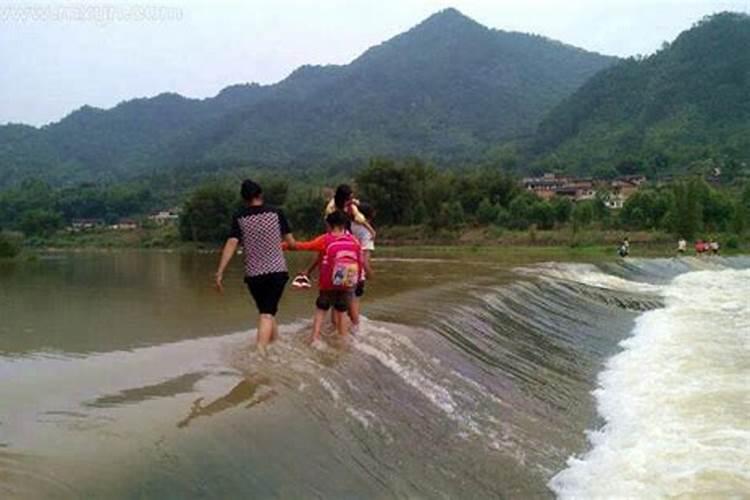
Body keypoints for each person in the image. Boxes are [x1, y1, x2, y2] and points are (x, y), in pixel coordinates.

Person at [215, 179, 297, 356]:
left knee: (266, 311)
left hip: (254, 275)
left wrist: (220, 272)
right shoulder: (276, 213)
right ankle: (260, 353)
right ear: (261, 194)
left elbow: (231, 243)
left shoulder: (240, 217)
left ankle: (275, 345)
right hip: (276, 272)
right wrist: (292, 245)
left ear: (244, 199)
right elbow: (291, 243)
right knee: (267, 313)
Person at [284, 210, 362, 344]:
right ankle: (342, 341)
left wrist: (282, 246)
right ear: (344, 224)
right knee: (341, 311)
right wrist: (358, 281)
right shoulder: (354, 241)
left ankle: (314, 338)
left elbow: (303, 246)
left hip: (328, 283)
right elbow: (359, 262)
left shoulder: (325, 239)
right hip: (347, 282)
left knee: (321, 309)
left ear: (328, 224)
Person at [348, 202, 375, 332]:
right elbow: (364, 260)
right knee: (354, 302)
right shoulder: (367, 234)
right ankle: (355, 331)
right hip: (357, 272)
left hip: (342, 268)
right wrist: (370, 274)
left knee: (340, 304)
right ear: (369, 218)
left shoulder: (348, 226)